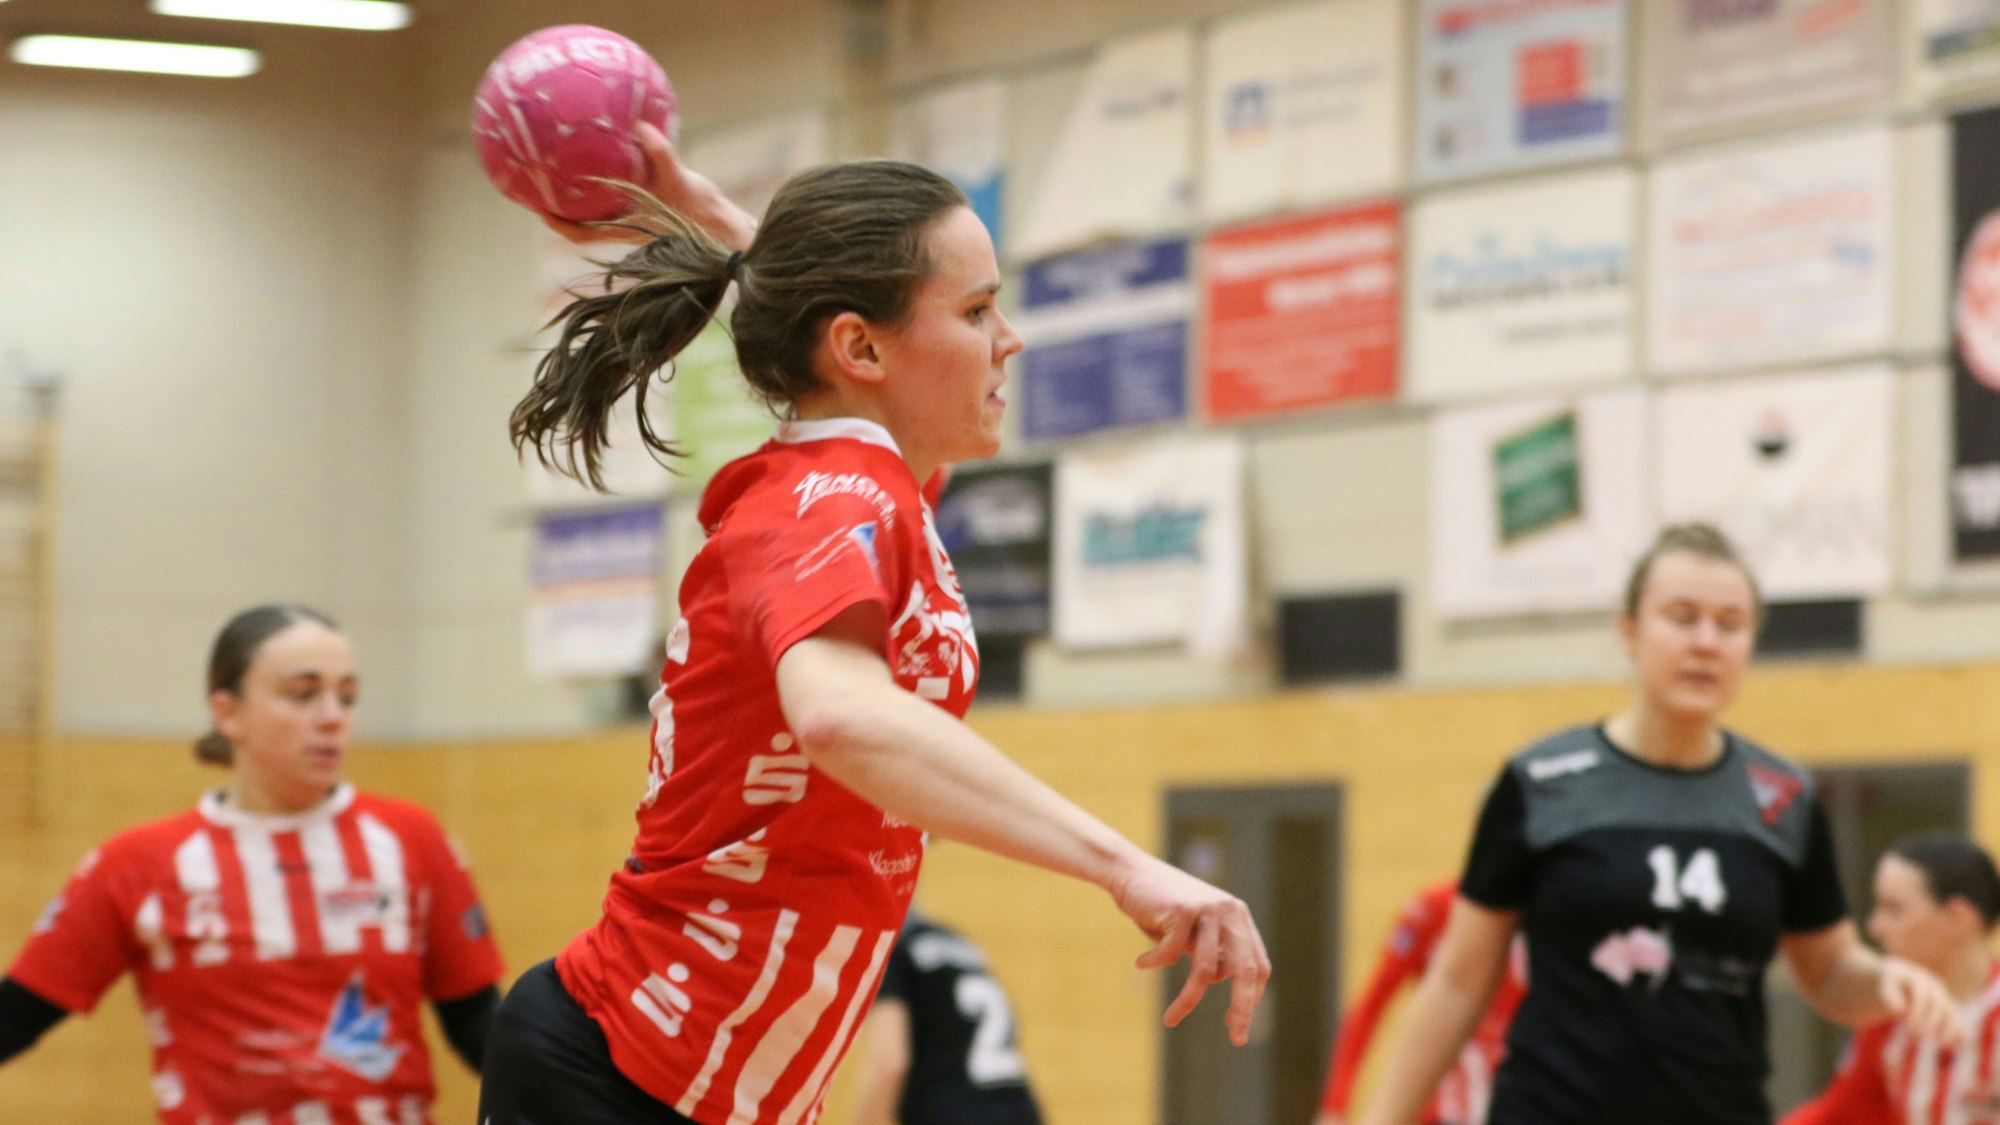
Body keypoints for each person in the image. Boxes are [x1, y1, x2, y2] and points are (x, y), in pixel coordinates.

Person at [477, 125, 1269, 1125]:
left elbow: (833, 333)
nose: (1009, 337)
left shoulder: (876, 488)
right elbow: (842, 719)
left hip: (720, 1094)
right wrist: (1124, 865)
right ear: (857, 347)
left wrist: (714, 217)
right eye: (978, 310)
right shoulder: (824, 501)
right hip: (619, 1075)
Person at [1359, 524, 1962, 1125]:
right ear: (1630, 630)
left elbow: (1829, 970)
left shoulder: (1784, 798)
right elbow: (1459, 983)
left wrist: (1887, 981)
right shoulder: (1542, 782)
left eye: (1730, 624)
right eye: (1681, 617)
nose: (1706, 642)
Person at [0, 604, 504, 1124]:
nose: (333, 717)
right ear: (228, 713)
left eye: (347, 696)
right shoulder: (139, 863)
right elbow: (17, 1015)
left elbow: (478, 1026)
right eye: (303, 694)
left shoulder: (410, 840)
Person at [1782, 832, 2000, 1124]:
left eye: (1893, 909)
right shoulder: (1888, 1012)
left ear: (1958, 918)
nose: (1875, 927)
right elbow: (1841, 1112)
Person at [1315, 880, 1524, 1125]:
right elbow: (1370, 1007)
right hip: (1439, 1107)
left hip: (1511, 1101)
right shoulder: (1434, 908)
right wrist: (1335, 1106)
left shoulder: (1536, 917)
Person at [847, 910, 1044, 1125]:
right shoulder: (958, 943)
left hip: (955, 1111)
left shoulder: (889, 949)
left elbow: (889, 1063)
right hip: (1020, 1109)